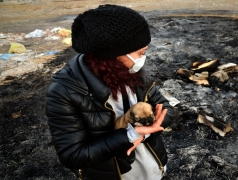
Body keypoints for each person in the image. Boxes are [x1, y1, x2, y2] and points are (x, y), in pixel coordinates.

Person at [45, 4, 176, 180]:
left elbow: (167, 108)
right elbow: (73, 155)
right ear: (113, 54)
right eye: (140, 52)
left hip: (153, 167)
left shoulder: (133, 73)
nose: (143, 58)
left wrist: (146, 132)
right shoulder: (65, 91)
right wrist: (130, 135)